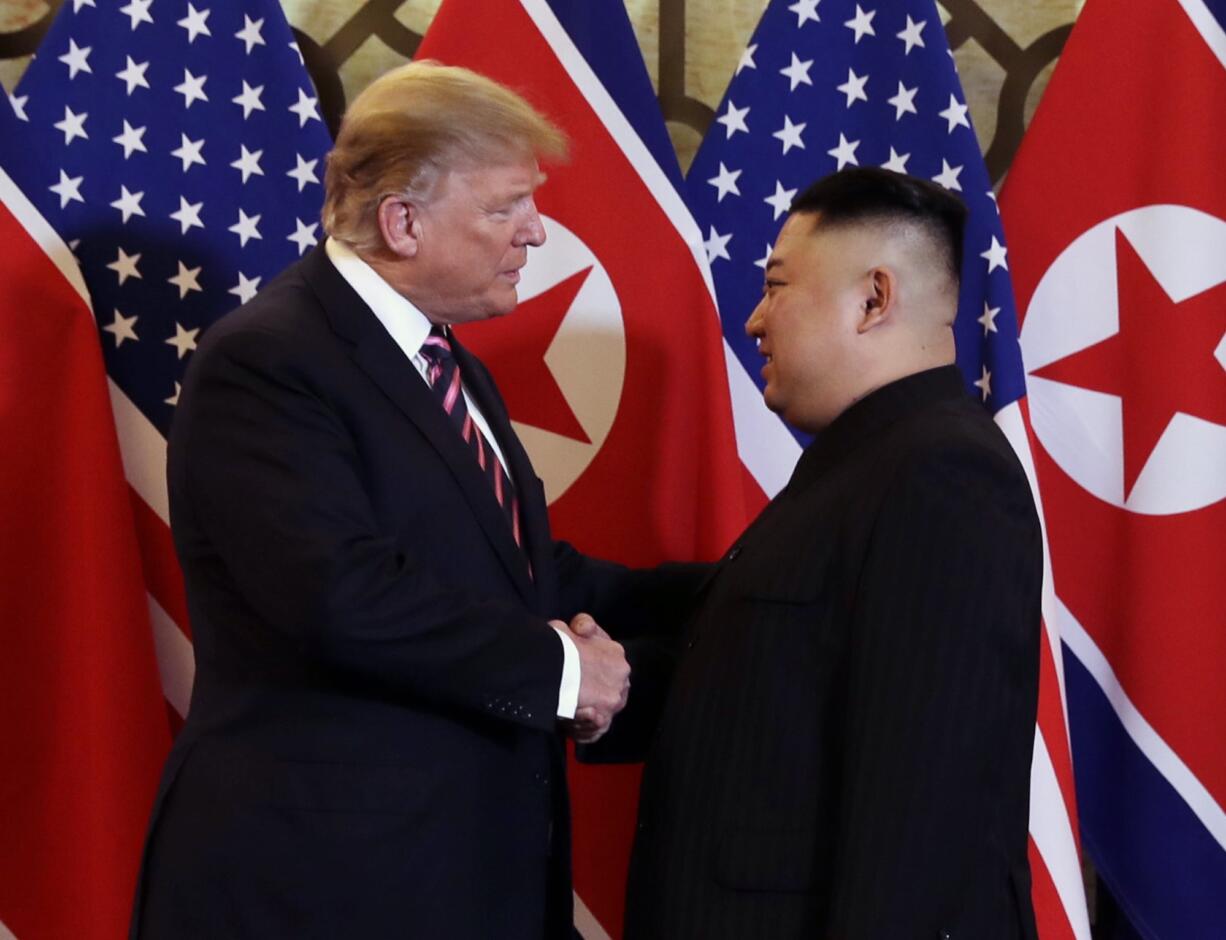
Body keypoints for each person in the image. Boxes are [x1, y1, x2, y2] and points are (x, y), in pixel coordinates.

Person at [130, 62, 696, 940]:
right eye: (507, 206)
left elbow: (520, 575)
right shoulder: (269, 361)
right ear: (403, 220)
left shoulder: (447, 363)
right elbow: (338, 597)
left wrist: (737, 591)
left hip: (457, 876)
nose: (536, 233)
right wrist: (562, 672)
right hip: (323, 887)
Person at [620, 168, 1043, 938]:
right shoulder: (869, 464)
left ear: (874, 299)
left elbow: (923, 816)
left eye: (777, 286)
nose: (753, 320)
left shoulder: (942, 476)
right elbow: (773, 695)